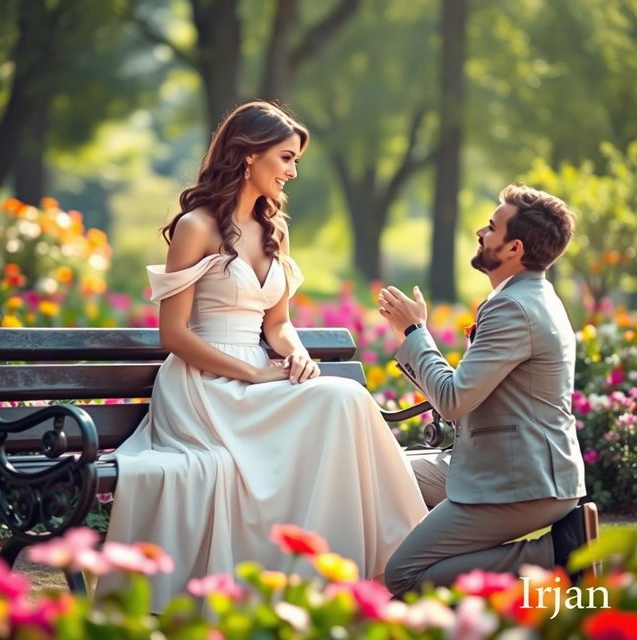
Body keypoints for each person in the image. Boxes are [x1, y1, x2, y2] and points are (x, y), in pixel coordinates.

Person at [98, 100, 426, 610]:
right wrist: (250, 371)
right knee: (342, 402)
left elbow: (278, 324)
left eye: (296, 161)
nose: (293, 172)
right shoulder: (196, 227)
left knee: (346, 401)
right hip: (203, 385)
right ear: (249, 155)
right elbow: (174, 334)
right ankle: (391, 563)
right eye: (286, 158)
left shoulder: (276, 230)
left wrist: (296, 356)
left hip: (258, 376)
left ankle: (373, 564)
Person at [377, 184, 598, 597]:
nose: (481, 231)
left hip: (519, 482)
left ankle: (553, 556)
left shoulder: (512, 307)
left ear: (514, 248)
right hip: (500, 466)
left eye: (492, 227)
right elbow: (462, 402)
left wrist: (413, 332)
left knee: (403, 575)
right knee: (380, 472)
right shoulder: (529, 295)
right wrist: (416, 336)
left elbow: (452, 399)